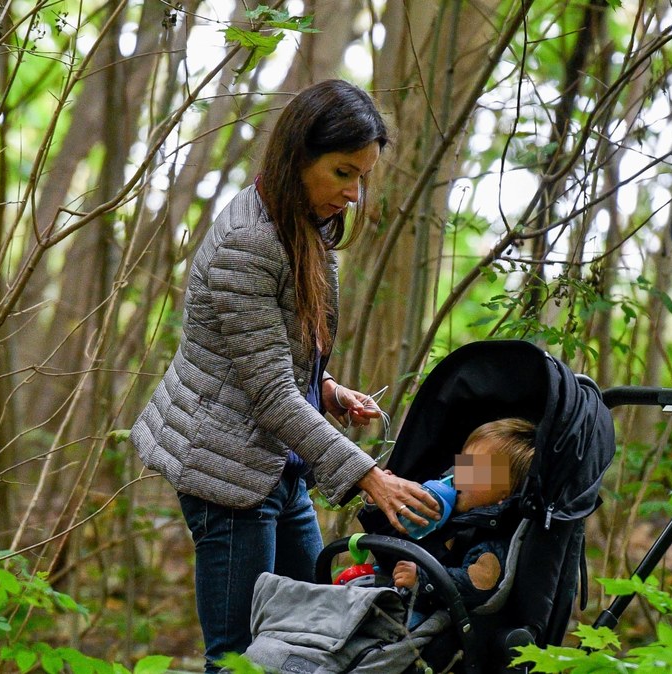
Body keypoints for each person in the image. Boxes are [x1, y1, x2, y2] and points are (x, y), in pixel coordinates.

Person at [129, 79, 440, 673]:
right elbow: (268, 393)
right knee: (240, 656)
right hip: (226, 473)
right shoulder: (247, 242)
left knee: (309, 630)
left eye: (362, 178)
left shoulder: (304, 223)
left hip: (280, 465)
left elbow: (263, 358)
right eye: (343, 172)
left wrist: (323, 387)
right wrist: (370, 477)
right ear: (299, 156)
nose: (353, 194)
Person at [391, 418, 536, 623]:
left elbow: (476, 586)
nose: (460, 473)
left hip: (437, 621)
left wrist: (422, 580)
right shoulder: (454, 516)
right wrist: (380, 509)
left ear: (505, 493)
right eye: (464, 462)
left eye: (477, 469)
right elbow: (398, 545)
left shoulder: (494, 538)